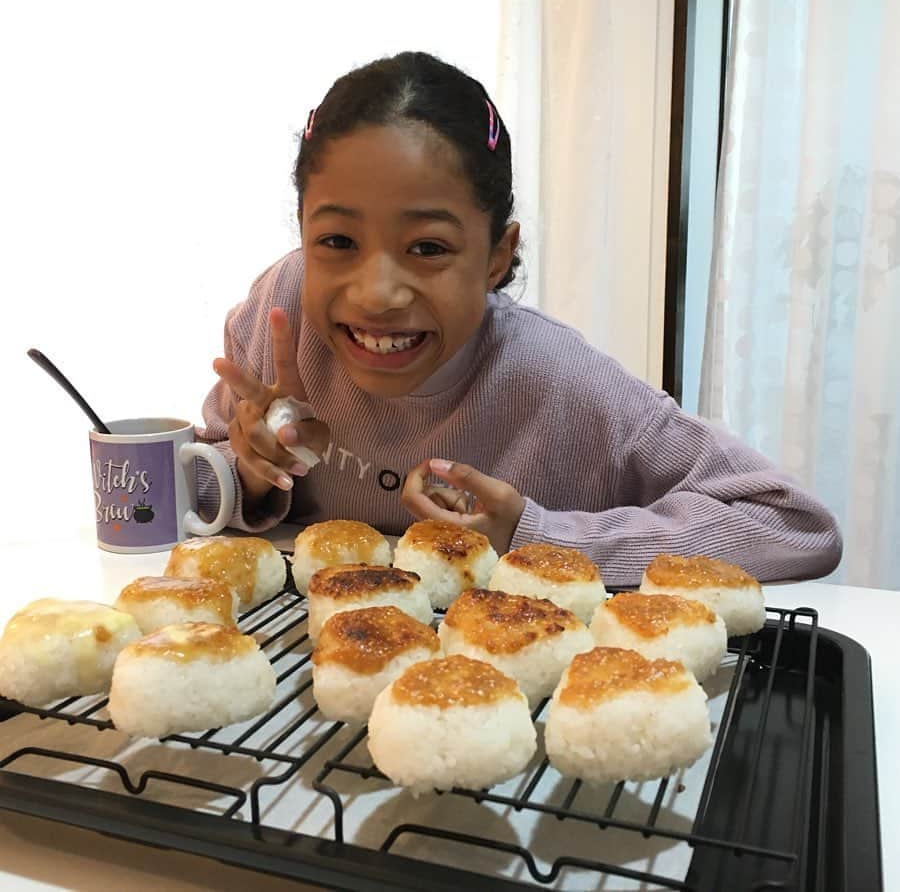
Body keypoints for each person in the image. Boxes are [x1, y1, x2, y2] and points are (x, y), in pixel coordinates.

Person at [197, 51, 841, 586]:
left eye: (428, 248)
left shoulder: (561, 383)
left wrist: (533, 533)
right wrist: (245, 475)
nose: (377, 294)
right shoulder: (280, 319)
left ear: (497, 256)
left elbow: (793, 524)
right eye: (337, 241)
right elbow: (200, 481)